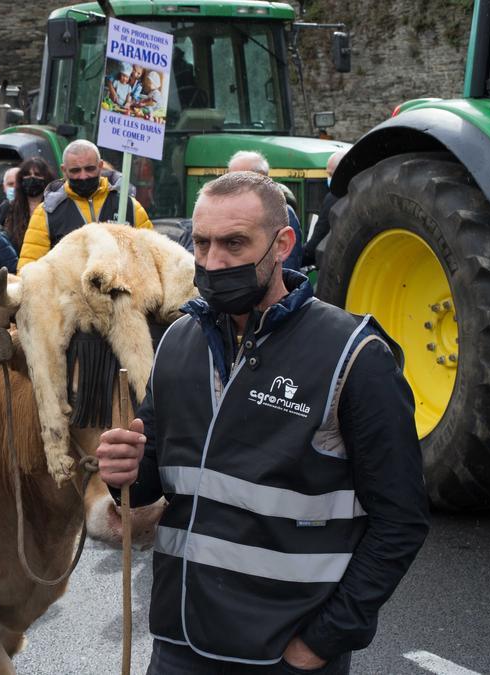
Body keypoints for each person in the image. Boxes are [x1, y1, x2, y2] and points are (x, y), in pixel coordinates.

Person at [96, 171, 429, 674]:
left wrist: (323, 641)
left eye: (234, 243)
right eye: (202, 243)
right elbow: (146, 485)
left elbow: (400, 521)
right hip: (177, 644)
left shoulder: (355, 356)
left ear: (283, 244)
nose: (212, 262)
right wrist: (122, 467)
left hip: (284, 656)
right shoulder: (178, 342)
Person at [17, 139, 153, 269]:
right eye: (75, 170)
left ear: (100, 166)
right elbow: (29, 267)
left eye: (90, 169)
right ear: (64, 170)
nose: (83, 176)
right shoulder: (47, 212)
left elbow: (152, 255)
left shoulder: (128, 206)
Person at [228, 150, 305, 270]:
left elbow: (288, 266)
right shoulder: (227, 211)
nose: (230, 184)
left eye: (238, 178)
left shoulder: (283, 213)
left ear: (260, 179)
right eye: (229, 177)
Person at [0, 157, 56, 255]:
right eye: (27, 175)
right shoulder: (9, 208)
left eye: (37, 175)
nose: (32, 178)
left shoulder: (55, 208)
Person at [304, 149, 348, 267]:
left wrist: (301, 257)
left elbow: (319, 237)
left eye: (331, 174)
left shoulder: (334, 197)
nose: (329, 178)